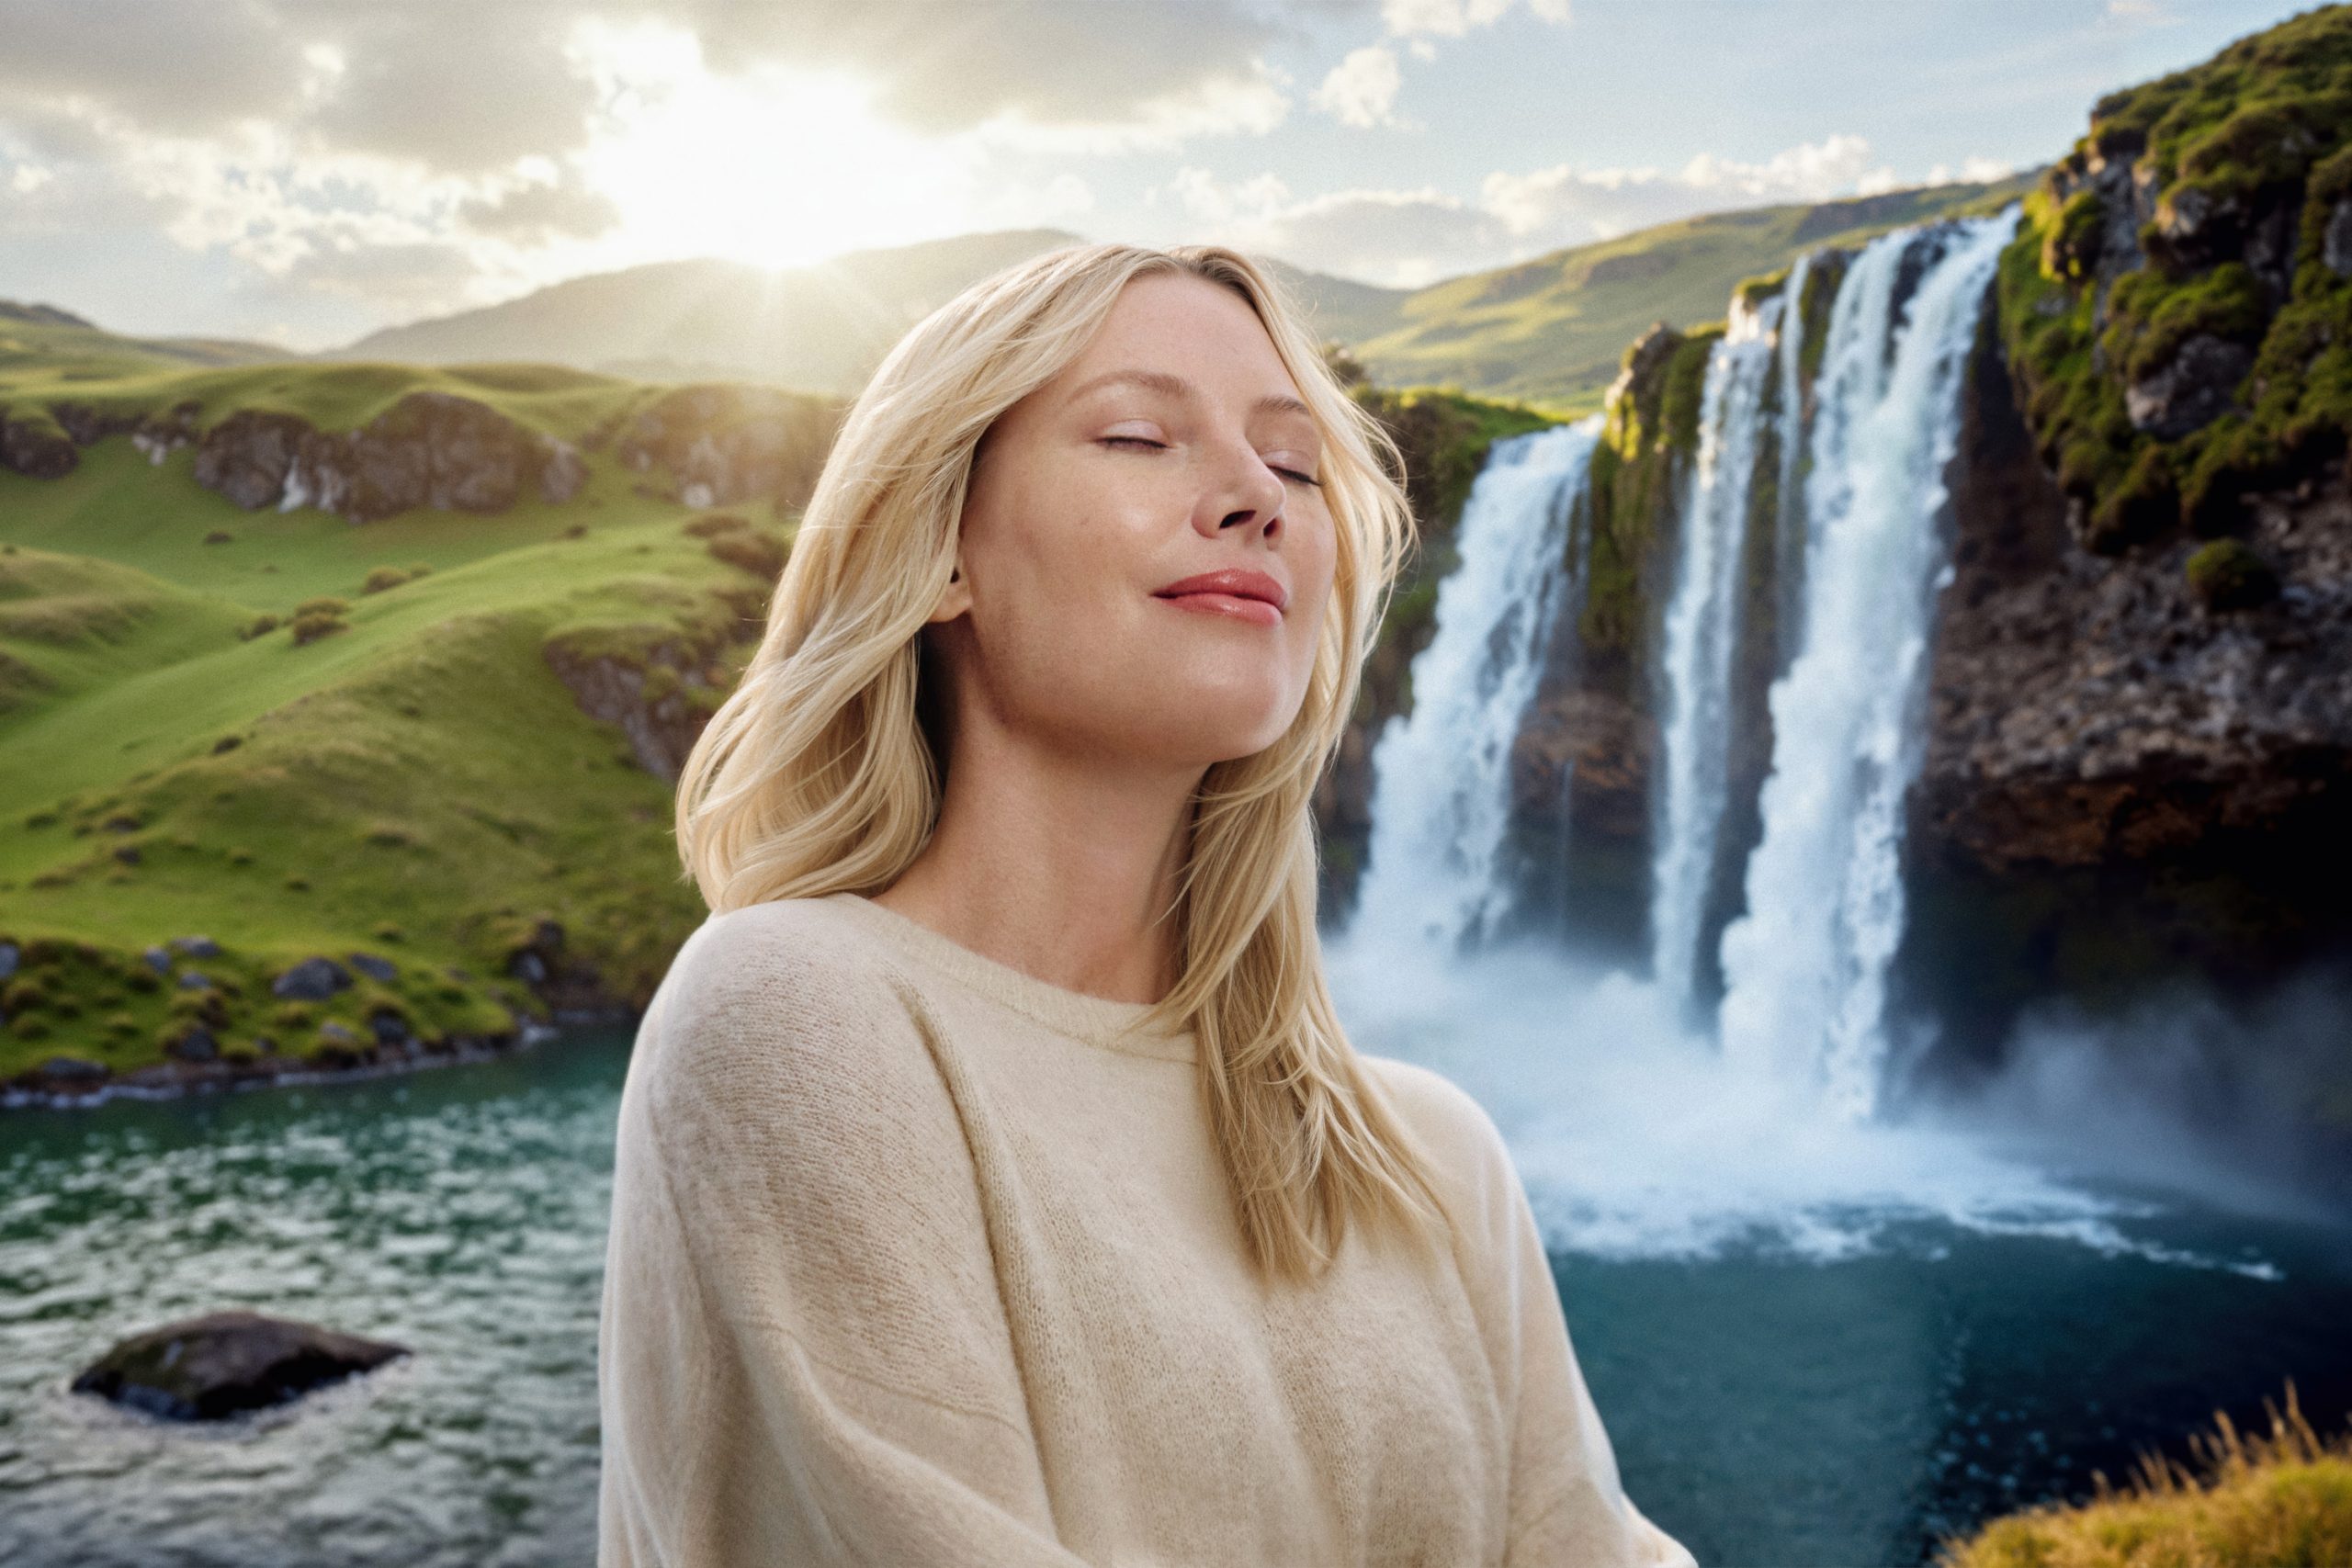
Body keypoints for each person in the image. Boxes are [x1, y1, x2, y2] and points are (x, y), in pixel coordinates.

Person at [595, 240, 1696, 1567]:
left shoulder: (1430, 1163)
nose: (1253, 497)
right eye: (1137, 436)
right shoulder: (799, 1005)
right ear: (939, 546)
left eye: (1296, 465)